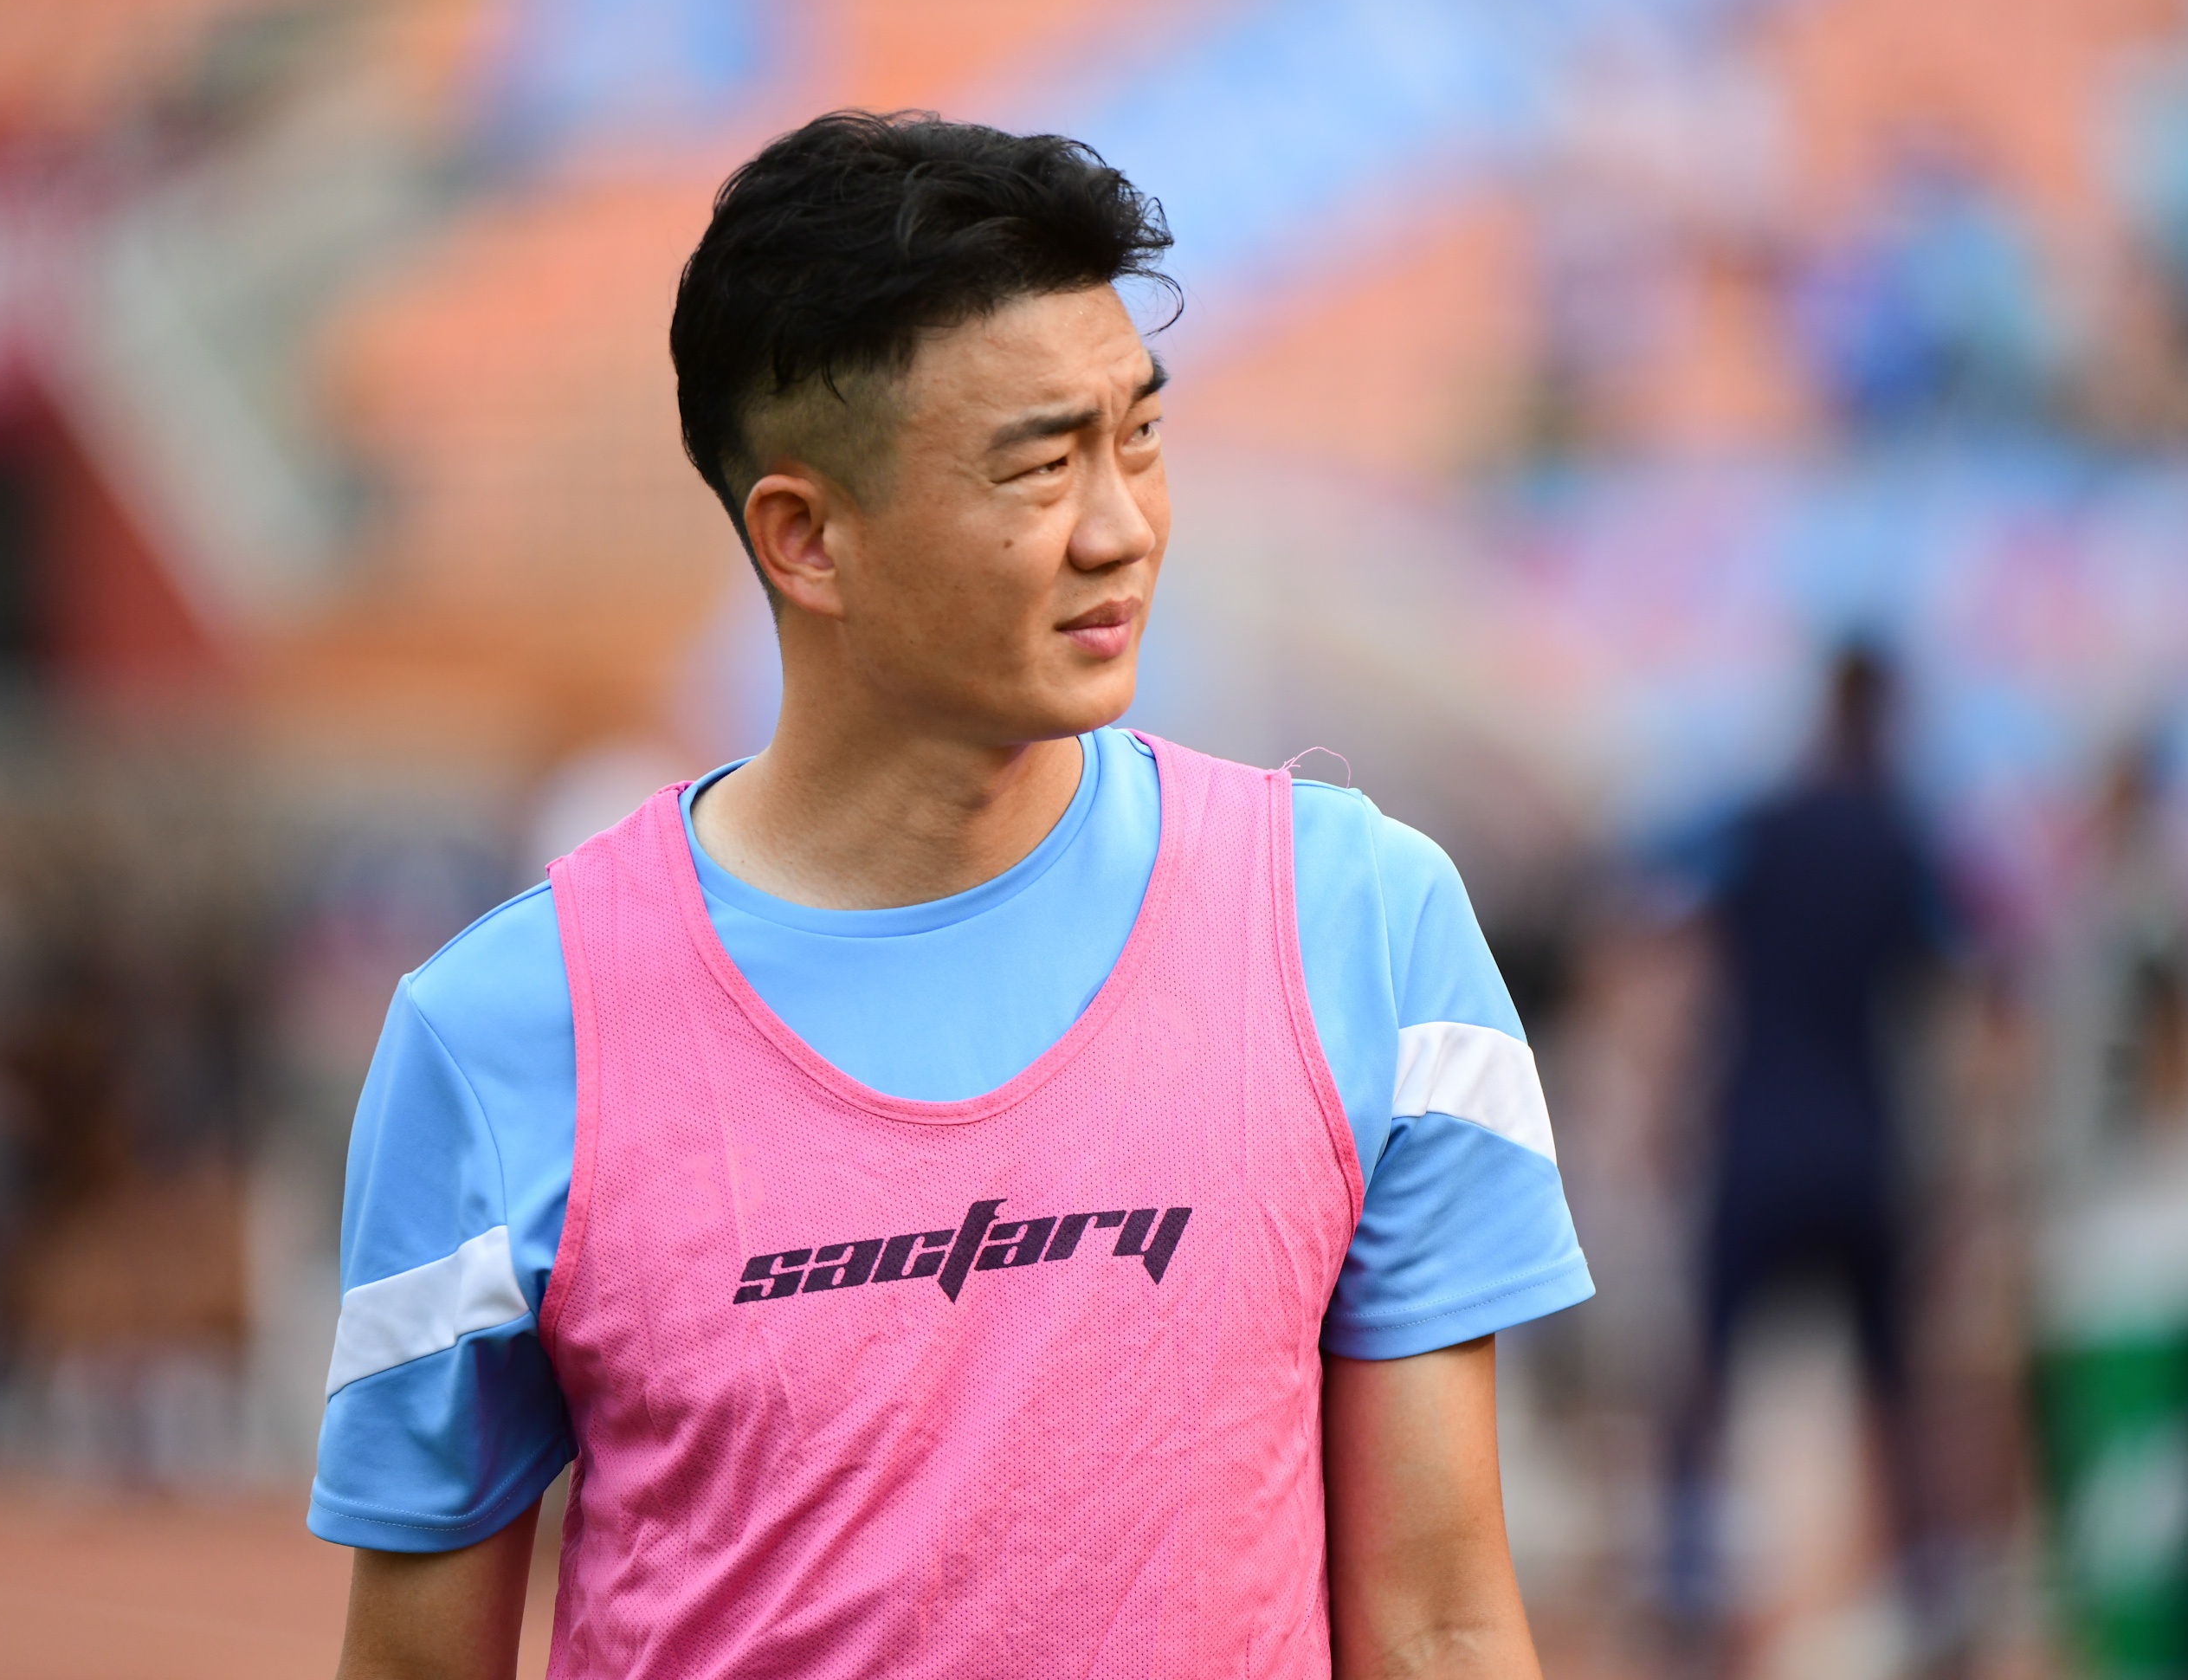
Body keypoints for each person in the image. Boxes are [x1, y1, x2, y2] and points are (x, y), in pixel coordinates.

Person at [310, 111, 1590, 1679]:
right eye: (1041, 466)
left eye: (1138, 437)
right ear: (805, 539)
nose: (1122, 527)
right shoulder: (500, 1035)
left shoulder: (1367, 928)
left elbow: (1443, 1623)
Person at [1663, 643, 1947, 1649]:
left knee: (1707, 1368)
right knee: (1894, 1383)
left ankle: (1690, 1568)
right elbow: (1953, 980)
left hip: (1758, 1136)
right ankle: (1924, 1579)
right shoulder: (1902, 836)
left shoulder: (1764, 822)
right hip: (1864, 1145)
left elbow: (1660, 899)